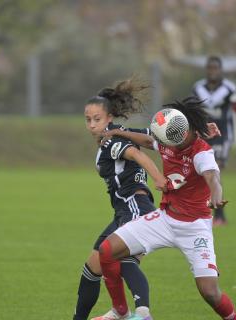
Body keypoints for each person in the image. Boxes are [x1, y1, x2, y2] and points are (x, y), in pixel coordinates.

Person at [98, 97, 236, 320]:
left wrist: (216, 194)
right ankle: (121, 311)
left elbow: (212, 177)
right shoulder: (169, 138)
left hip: (195, 228)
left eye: (170, 142)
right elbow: (147, 141)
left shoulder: (201, 152)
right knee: (107, 251)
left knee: (210, 292)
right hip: (164, 219)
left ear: (186, 131)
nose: (166, 147)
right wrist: (120, 133)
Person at [74, 78, 168, 320]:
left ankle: (142, 314)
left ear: (109, 118)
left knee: (125, 260)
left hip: (135, 207)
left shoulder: (111, 141)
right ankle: (103, 314)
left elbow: (137, 154)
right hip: (123, 211)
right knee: (92, 268)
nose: (92, 124)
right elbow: (155, 138)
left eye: (97, 119)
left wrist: (159, 178)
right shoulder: (122, 134)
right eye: (88, 119)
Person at [192, 55, 236, 225]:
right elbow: (191, 111)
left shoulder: (229, 88)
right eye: (210, 68)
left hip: (224, 136)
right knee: (203, 174)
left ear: (220, 70)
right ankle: (206, 212)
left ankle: (219, 216)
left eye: (215, 68)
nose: (212, 71)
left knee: (215, 171)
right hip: (204, 135)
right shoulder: (198, 88)